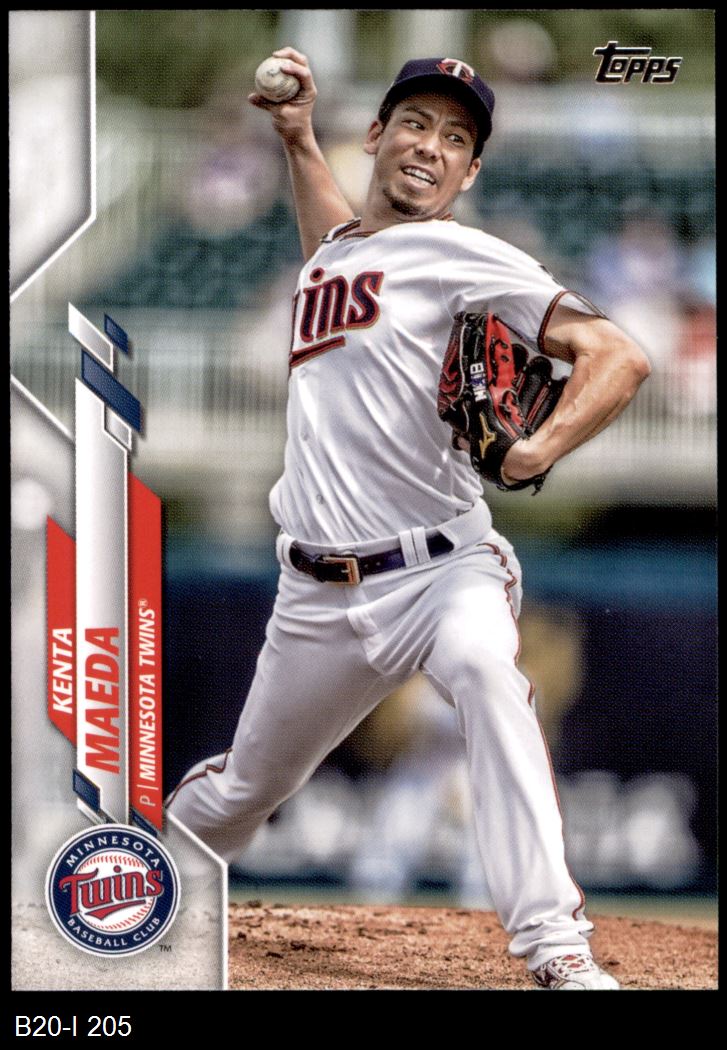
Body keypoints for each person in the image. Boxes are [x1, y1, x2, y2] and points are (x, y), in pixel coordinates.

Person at [167, 49, 651, 990]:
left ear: (469, 173)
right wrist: (297, 139)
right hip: (315, 594)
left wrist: (535, 451)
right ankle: (134, 884)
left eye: (456, 138)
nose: (432, 146)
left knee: (485, 672)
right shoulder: (339, 255)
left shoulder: (465, 253)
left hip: (440, 571)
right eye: (417, 124)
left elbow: (616, 353)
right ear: (376, 137)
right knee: (242, 793)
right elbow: (333, 246)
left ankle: (554, 944)